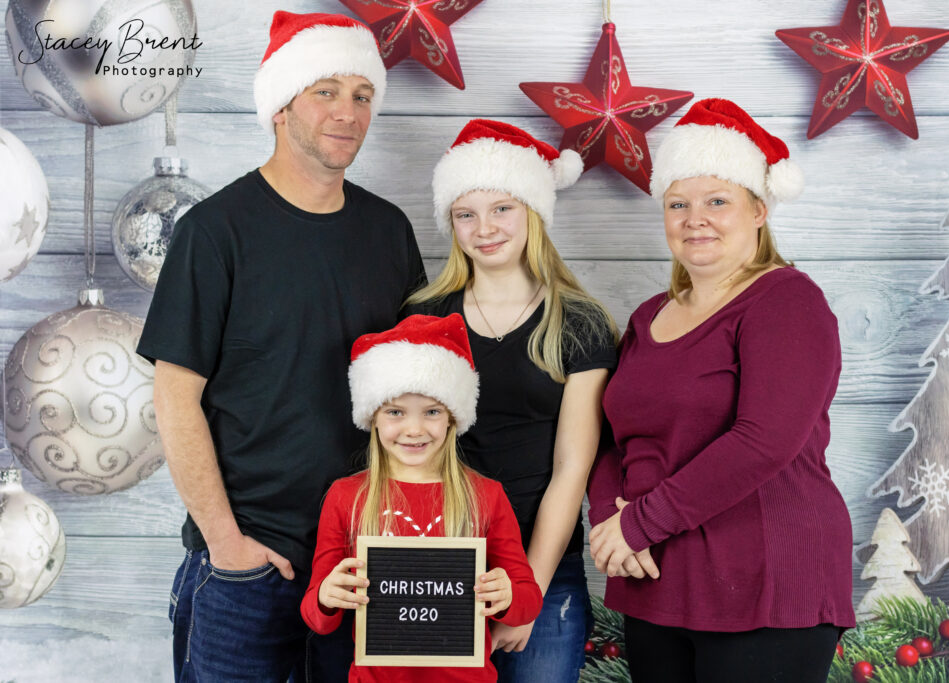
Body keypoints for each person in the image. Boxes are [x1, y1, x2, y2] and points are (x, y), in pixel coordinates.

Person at [137, 11, 425, 682]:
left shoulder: (389, 231)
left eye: (362, 95)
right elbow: (175, 399)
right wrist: (226, 543)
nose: (348, 111)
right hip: (248, 565)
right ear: (280, 105)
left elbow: (419, 390)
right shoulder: (215, 232)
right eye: (325, 90)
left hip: (363, 562)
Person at [587, 98, 856, 683]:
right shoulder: (648, 316)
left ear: (759, 209)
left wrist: (639, 523)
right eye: (678, 204)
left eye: (717, 201)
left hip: (764, 575)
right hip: (656, 575)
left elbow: (764, 441)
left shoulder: (786, 301)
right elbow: (612, 437)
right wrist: (612, 519)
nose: (694, 218)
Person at [404, 119, 618, 682]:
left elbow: (573, 468)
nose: (484, 228)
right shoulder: (423, 316)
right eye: (465, 214)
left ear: (532, 211)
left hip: (542, 565)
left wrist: (530, 587)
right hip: (441, 561)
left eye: (501, 208)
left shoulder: (579, 322)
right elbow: (405, 447)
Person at [300, 313, 543, 682]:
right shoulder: (346, 497)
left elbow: (527, 602)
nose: (414, 430)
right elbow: (316, 617)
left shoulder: (485, 496)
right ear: (374, 418)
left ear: (451, 418)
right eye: (395, 412)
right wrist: (326, 596)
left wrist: (507, 596)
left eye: (431, 412)